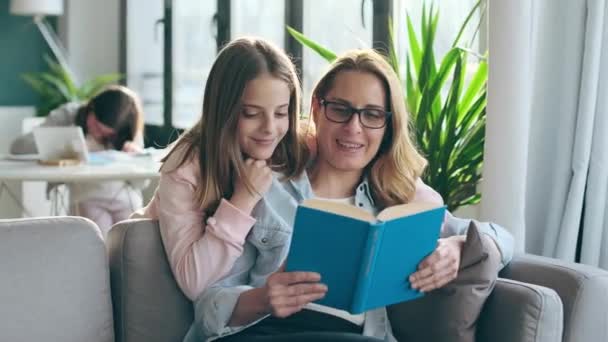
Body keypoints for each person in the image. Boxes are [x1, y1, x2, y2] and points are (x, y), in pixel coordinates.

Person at [186, 49, 514, 342]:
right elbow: (207, 307)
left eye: (371, 114)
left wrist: (457, 247)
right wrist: (263, 298)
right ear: (316, 109)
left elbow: (504, 239)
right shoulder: (265, 189)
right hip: (266, 332)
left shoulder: (398, 201)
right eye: (341, 109)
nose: (354, 128)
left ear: (388, 126)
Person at [132, 37, 309, 301]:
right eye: (251, 113)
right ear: (224, 111)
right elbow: (194, 282)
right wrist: (243, 200)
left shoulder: (292, 147)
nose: (270, 128)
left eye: (281, 113)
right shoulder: (185, 168)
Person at [11, 85, 145, 237]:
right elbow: (18, 147)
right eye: (94, 124)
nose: (96, 132)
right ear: (91, 107)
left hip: (126, 197)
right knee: (98, 242)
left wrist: (135, 159)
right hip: (87, 196)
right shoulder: (69, 115)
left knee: (131, 241)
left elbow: (141, 183)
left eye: (104, 132)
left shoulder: (126, 129)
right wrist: (61, 139)